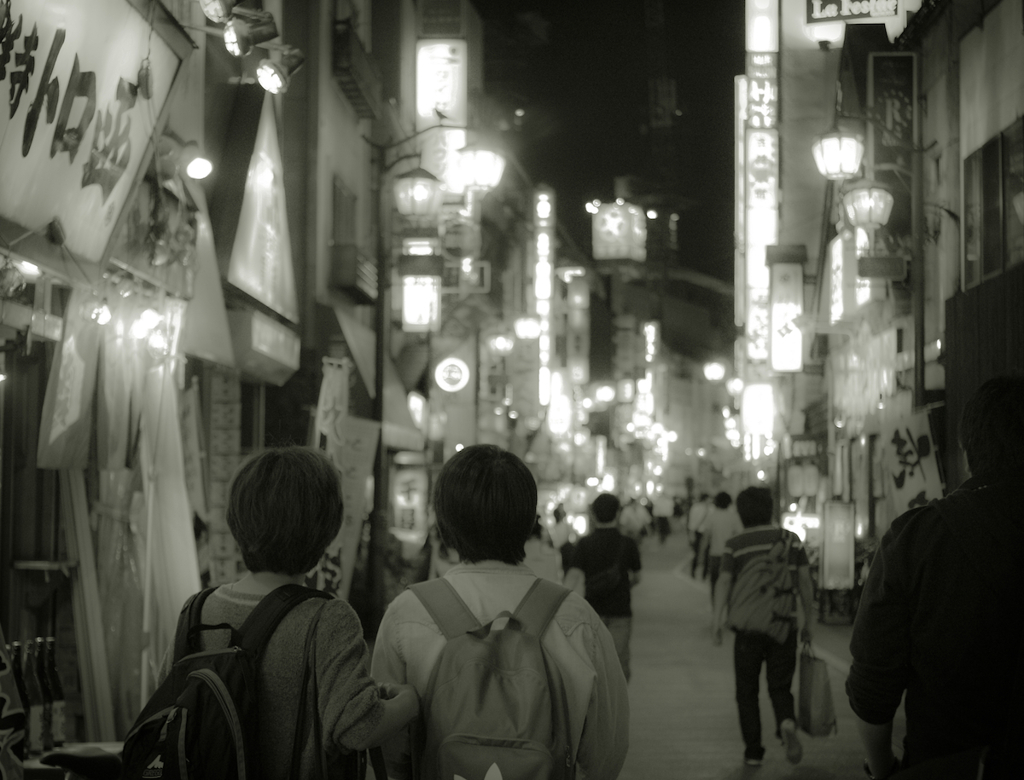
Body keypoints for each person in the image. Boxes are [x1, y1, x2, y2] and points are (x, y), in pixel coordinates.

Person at [371, 445, 629, 780]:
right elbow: (606, 753)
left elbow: (387, 749)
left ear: (445, 521)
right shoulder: (577, 618)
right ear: (527, 520)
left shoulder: (408, 613)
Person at [160, 447, 419, 777]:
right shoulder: (328, 619)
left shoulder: (197, 610)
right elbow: (359, 727)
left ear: (237, 519)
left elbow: (167, 708)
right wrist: (409, 701)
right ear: (325, 530)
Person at [847, 375, 1024, 780]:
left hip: (947, 765)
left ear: (964, 453)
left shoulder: (916, 538)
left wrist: (883, 770)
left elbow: (871, 694)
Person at [712, 485, 814, 768]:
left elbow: (723, 582)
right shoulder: (791, 539)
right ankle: (785, 722)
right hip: (784, 625)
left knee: (747, 691)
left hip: (748, 629)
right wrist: (809, 622)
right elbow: (805, 583)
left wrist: (717, 619)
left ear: (741, 513)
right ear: (770, 509)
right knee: (780, 686)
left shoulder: (735, 544)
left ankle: (754, 751)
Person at [564, 493, 643, 682]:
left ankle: (599, 706)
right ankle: (619, 706)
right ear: (618, 513)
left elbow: (572, 578)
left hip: (592, 612)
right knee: (619, 662)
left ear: (593, 514)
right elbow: (637, 577)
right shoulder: (627, 543)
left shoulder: (584, 544)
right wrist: (623, 586)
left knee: (593, 663)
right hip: (621, 611)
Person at [699, 492, 745, 605]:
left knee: (715, 586)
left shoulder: (711, 517)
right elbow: (741, 536)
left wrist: (701, 555)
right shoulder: (734, 517)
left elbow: (705, 539)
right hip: (731, 556)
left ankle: (716, 614)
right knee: (730, 586)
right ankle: (728, 615)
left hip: (715, 556)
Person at [687, 493, 711, 579]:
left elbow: (691, 521)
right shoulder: (702, 508)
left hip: (702, 532)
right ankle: (699, 573)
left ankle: (699, 573)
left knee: (701, 552)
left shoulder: (697, 507)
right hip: (701, 532)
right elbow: (692, 521)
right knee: (700, 553)